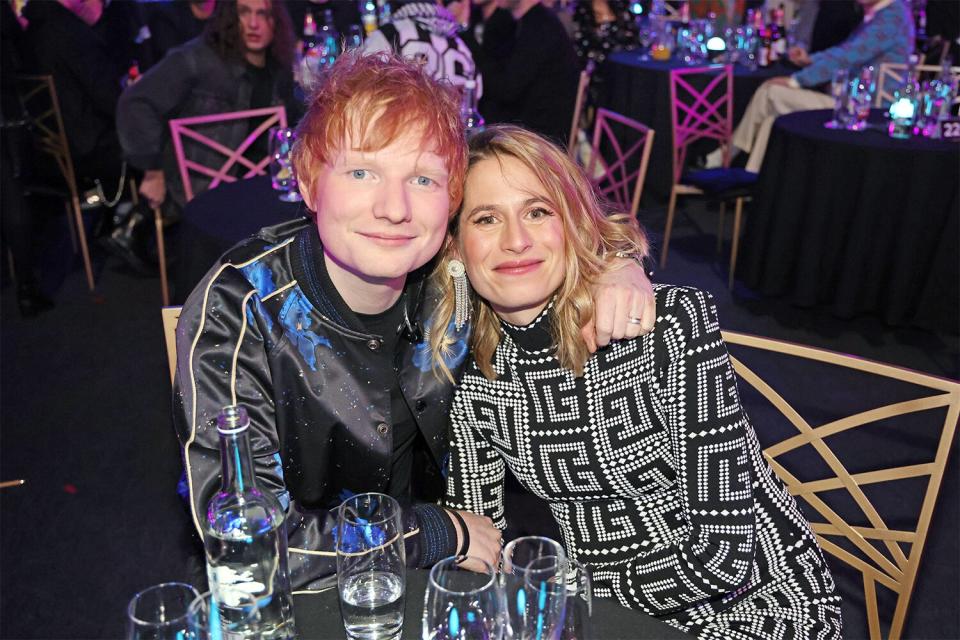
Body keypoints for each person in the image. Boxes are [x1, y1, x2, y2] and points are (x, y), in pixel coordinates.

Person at [173, 52, 657, 592]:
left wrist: (617, 264)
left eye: (423, 178)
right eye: (362, 171)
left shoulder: (451, 275)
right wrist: (426, 533)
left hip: (438, 585)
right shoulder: (243, 306)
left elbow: (544, 240)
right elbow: (246, 543)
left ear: (449, 198)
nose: (395, 208)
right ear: (309, 182)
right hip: (294, 598)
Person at [437, 125, 843, 638]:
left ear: (572, 221)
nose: (516, 240)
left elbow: (725, 552)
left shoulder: (665, 325)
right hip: (606, 613)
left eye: (538, 211)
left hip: (755, 602)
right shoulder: (472, 377)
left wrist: (571, 592)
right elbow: (481, 540)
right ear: (454, 247)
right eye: (487, 218)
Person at [116, 0, 299, 213]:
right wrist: (152, 170)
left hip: (264, 189)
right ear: (230, 17)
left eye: (263, 14)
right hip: (204, 194)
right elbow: (136, 101)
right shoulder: (196, 59)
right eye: (244, 13)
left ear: (276, 23)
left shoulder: (279, 68)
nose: (253, 24)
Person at [711, 0, 913, 173]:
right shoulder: (882, 14)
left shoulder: (892, 17)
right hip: (849, 104)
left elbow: (847, 57)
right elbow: (845, 52)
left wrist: (796, 81)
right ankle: (753, 179)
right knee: (772, 121)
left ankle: (725, 157)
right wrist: (810, 60)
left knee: (770, 92)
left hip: (866, 113)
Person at [466, 0, 579, 145]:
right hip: (520, 130)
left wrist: (466, 34)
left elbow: (506, 89)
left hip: (538, 143)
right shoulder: (523, 23)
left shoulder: (541, 27)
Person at [362, 0, 481, 95]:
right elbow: (477, 94)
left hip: (401, 123)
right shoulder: (462, 46)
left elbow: (360, 88)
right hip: (456, 124)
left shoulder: (388, 35)